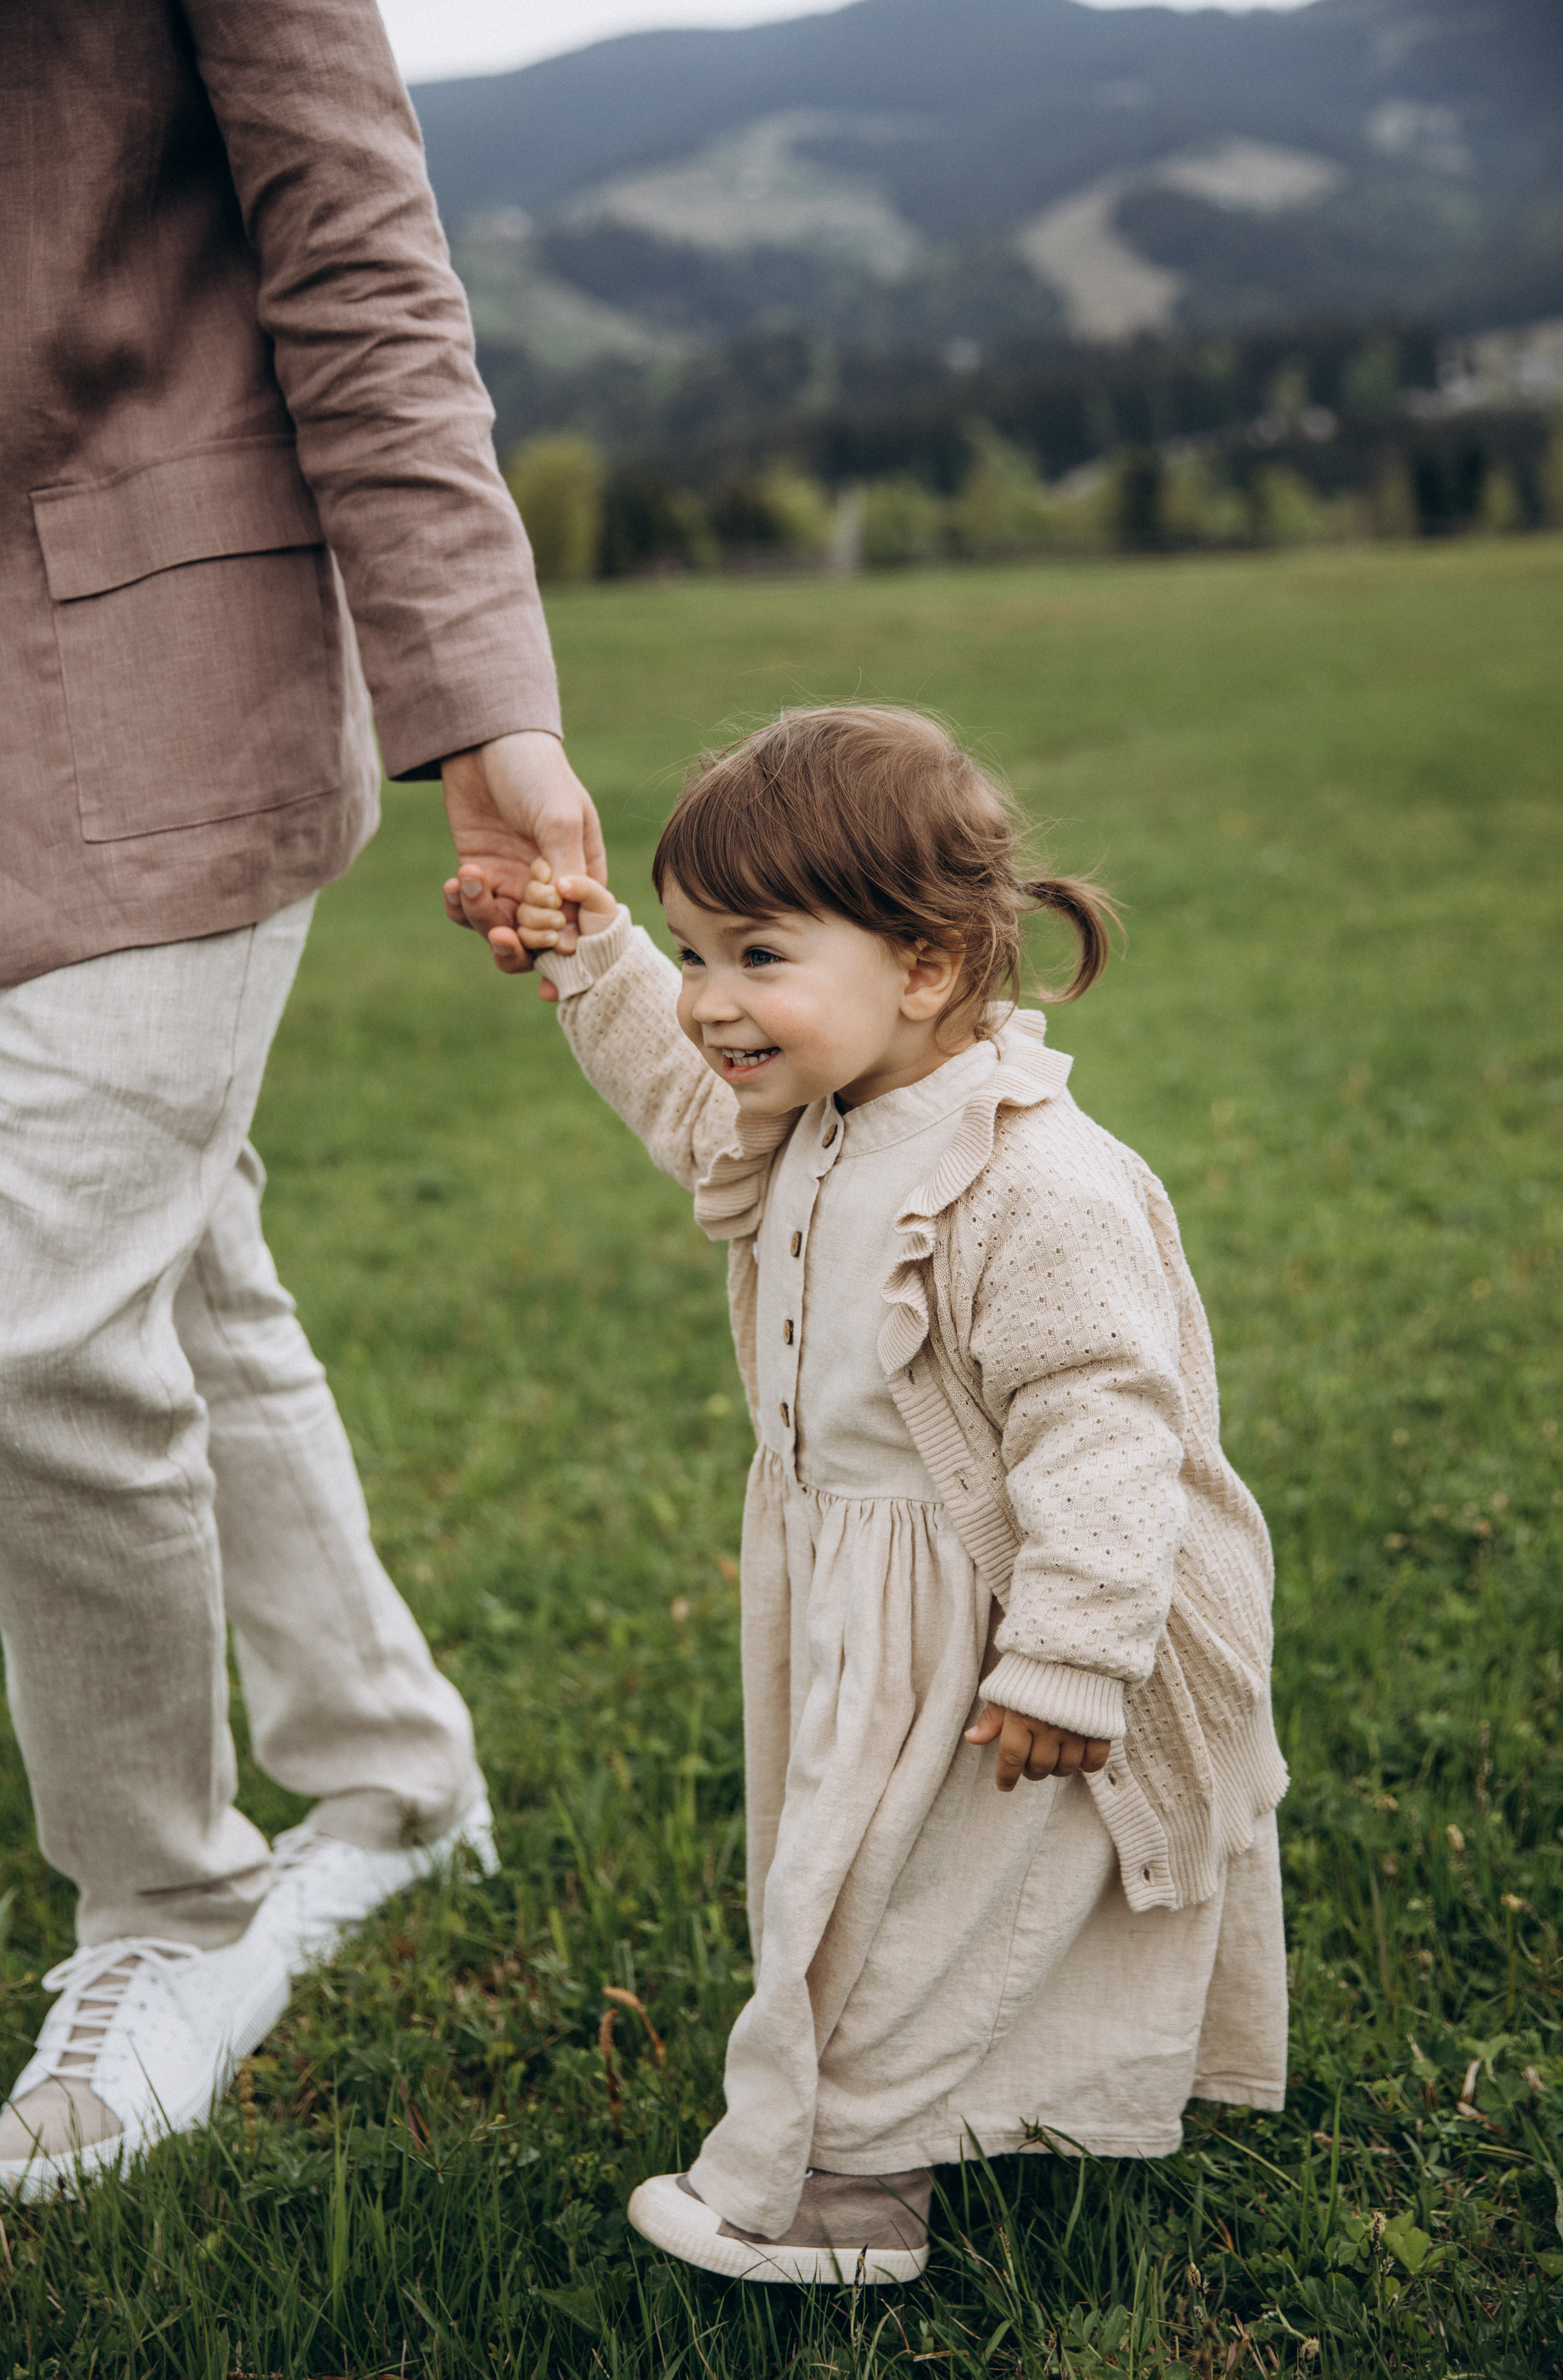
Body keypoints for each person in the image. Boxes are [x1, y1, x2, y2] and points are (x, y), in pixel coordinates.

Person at [0, 0, 602, 2200]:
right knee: (192, 1267)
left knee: (37, 1320)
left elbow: (355, 242)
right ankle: (397, 1767)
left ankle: (169, 1905)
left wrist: (482, 703)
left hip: (160, 662)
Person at [480, 705, 1289, 2285]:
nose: (713, 1002)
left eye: (755, 957)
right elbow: (682, 1086)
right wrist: (595, 957)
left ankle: (845, 2204)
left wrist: (1067, 1652)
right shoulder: (821, 1107)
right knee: (852, 1880)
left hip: (1005, 1612)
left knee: (911, 1910)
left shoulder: (1032, 1183)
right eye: (696, 951)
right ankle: (904, 2146)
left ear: (922, 967)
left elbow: (1109, 1424)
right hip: (857, 1588)